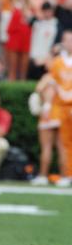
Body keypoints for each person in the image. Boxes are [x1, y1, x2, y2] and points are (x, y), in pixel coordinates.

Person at [30, 45, 66, 186]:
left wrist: (45, 106)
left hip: (48, 113)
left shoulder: (50, 76)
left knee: (47, 147)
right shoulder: (63, 77)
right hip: (60, 114)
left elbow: (42, 91)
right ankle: (64, 176)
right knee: (61, 147)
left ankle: (43, 175)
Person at [48, 30, 72, 187]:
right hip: (61, 106)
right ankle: (67, 173)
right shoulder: (57, 62)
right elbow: (52, 84)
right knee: (63, 143)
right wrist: (47, 105)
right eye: (67, 40)